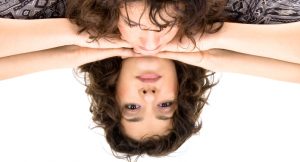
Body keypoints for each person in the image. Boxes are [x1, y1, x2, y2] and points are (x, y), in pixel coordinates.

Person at [1, 0, 300, 161]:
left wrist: (78, 43)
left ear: (113, 93)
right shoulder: (237, 12)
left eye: (132, 107)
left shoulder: (53, 9)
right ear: (181, 92)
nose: (148, 94)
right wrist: (209, 48)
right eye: (165, 105)